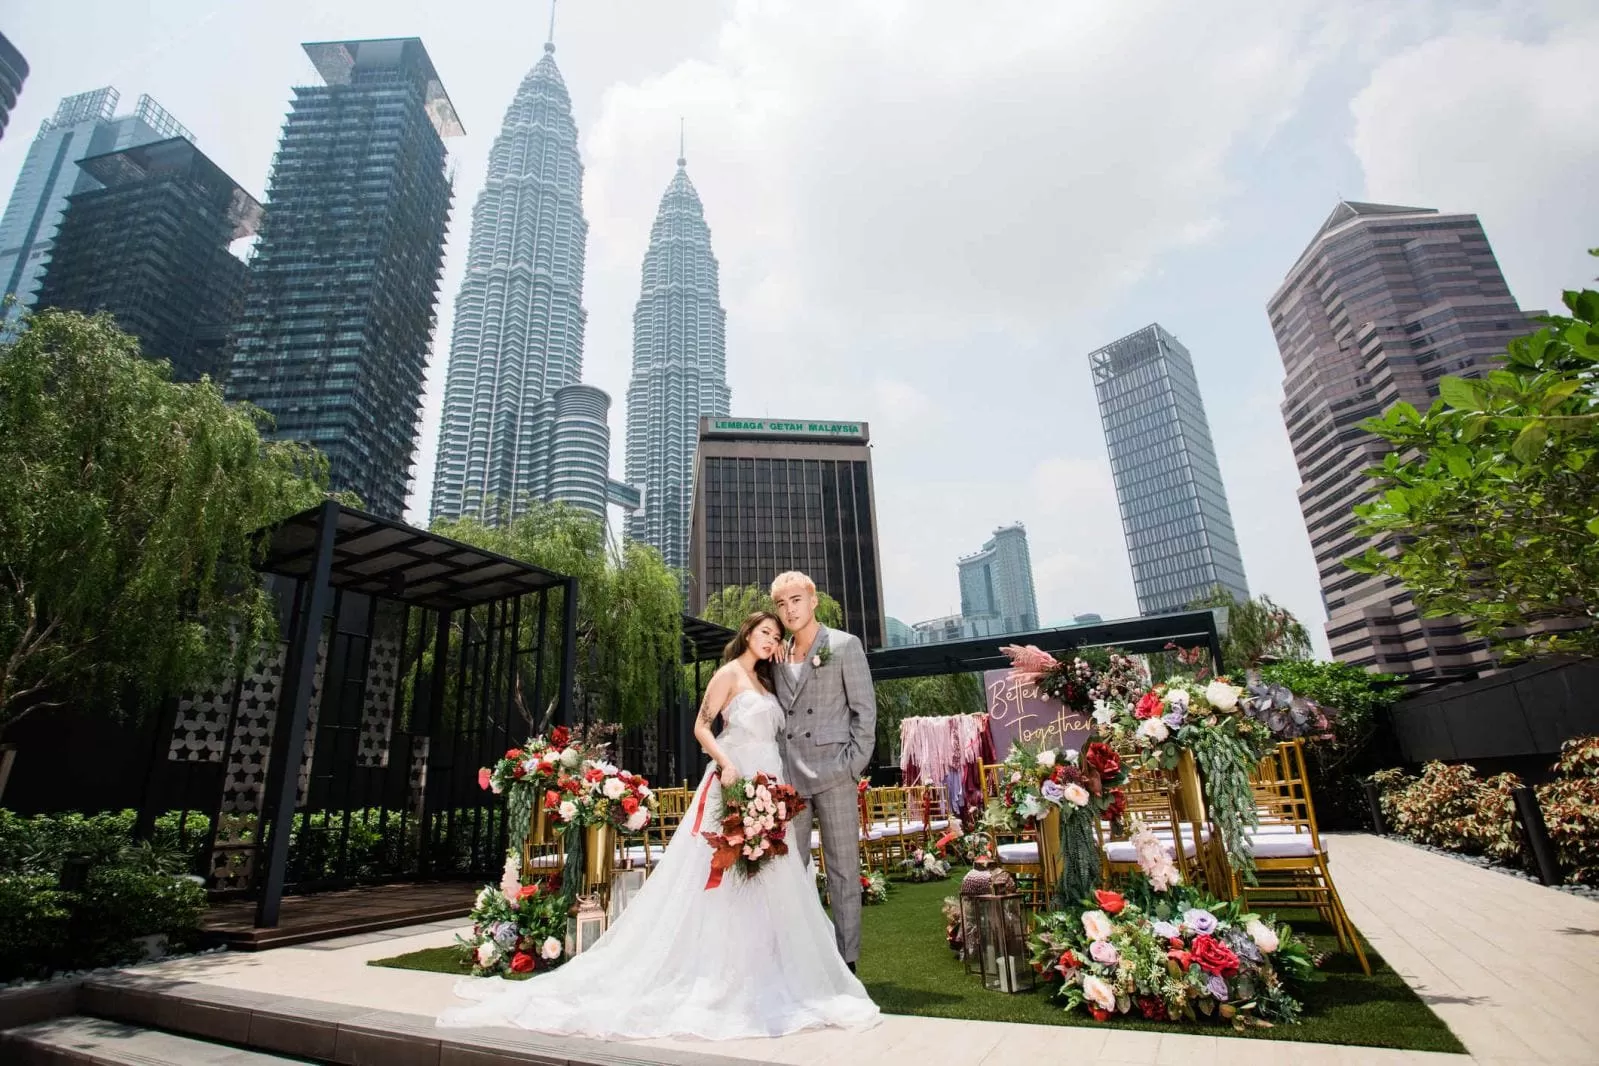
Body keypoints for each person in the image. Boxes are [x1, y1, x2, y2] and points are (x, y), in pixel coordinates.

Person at [438, 611, 880, 1040]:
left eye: (775, 635)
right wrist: (725, 764)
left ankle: (778, 966)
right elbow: (701, 726)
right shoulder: (727, 673)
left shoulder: (770, 679)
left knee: (772, 875)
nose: (770, 640)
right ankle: (715, 972)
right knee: (723, 873)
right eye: (764, 631)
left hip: (770, 780)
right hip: (733, 777)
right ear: (747, 633)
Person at [769, 571, 877, 974]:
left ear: (813, 600)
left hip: (834, 773)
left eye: (795, 600)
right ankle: (800, 962)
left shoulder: (844, 645)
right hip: (790, 778)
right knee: (791, 874)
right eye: (781, 604)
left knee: (844, 871)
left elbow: (865, 713)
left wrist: (851, 766)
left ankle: (847, 963)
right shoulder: (777, 654)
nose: (789, 609)